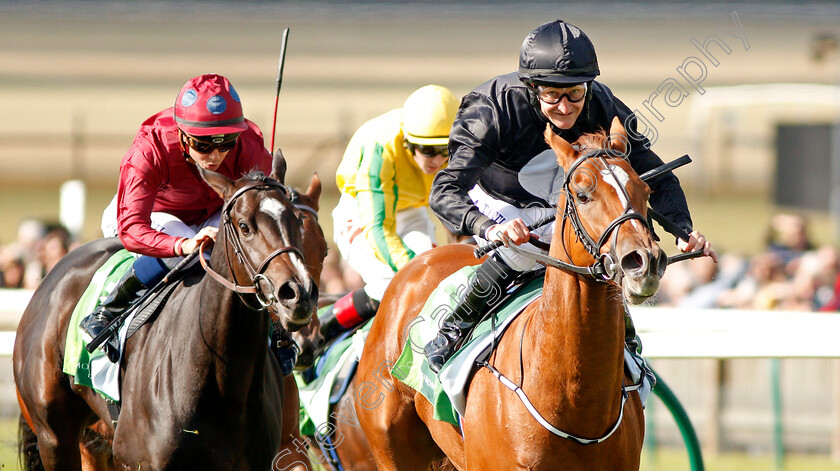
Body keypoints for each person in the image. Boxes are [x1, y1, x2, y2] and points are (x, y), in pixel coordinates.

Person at [424, 19, 718, 372]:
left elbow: (656, 176)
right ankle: (454, 326)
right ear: (532, 87)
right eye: (551, 94)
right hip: (495, 195)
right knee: (527, 247)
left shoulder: (604, 103)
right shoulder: (492, 109)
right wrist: (489, 228)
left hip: (565, 191)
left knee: (602, 240)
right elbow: (445, 190)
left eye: (575, 93)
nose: (565, 106)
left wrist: (683, 230)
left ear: (588, 86)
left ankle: (623, 337)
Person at [80, 73, 273, 362]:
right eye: (204, 145)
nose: (216, 155)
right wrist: (183, 244)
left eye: (226, 143)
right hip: (157, 213)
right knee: (195, 255)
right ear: (182, 135)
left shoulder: (249, 145)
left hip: (214, 211)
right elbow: (132, 228)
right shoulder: (149, 150)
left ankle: (278, 331)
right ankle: (110, 308)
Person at [319, 85, 459, 346]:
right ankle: (324, 329)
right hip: (361, 211)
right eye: (427, 150)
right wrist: (409, 268)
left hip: (411, 210)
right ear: (407, 141)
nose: (437, 160)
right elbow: (378, 227)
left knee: (433, 277)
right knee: (390, 281)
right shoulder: (380, 145)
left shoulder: (460, 141)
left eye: (444, 150)